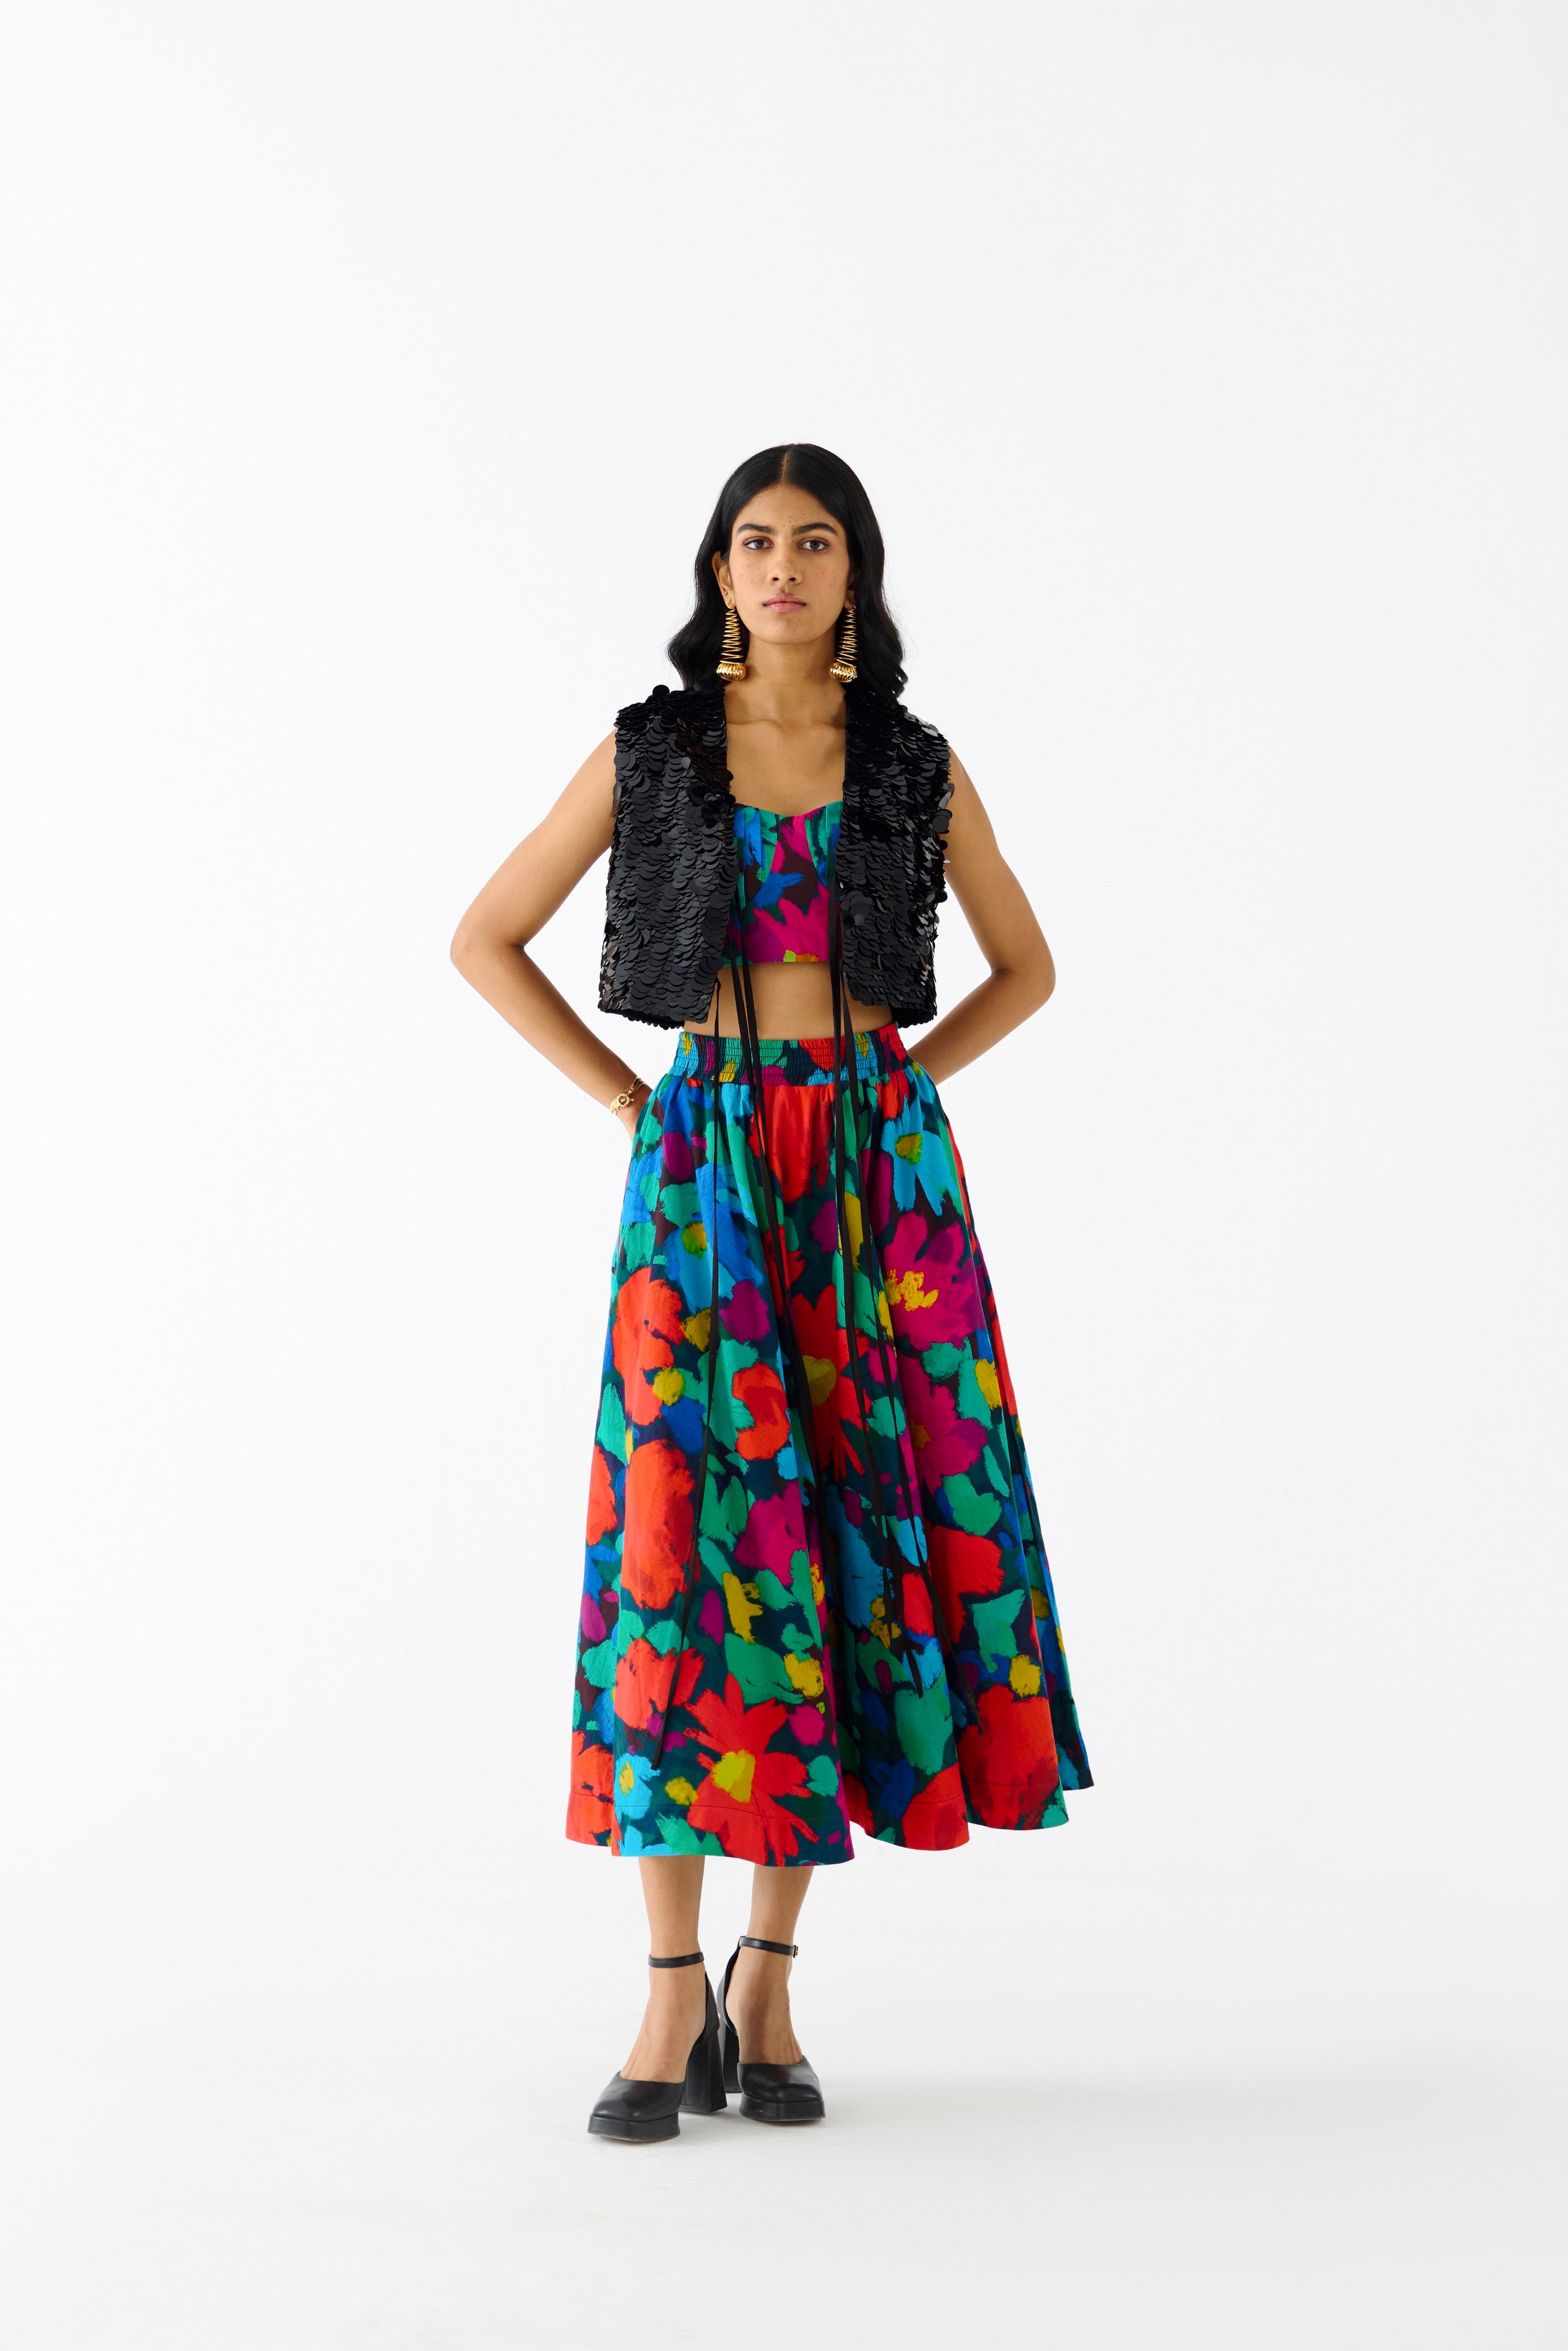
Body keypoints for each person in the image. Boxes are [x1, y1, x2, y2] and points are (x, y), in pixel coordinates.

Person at [450, 443, 1092, 2144]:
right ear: (719, 571)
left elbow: (1027, 967)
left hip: (876, 1187)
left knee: (843, 1544)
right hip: (708, 1171)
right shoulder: (654, 750)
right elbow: (485, 935)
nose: (784, 565)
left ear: (855, 572)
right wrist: (632, 1099)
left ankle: (771, 1978)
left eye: (816, 540)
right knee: (685, 1541)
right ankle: (669, 1989)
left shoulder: (912, 765)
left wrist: (901, 1084)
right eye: (756, 540)